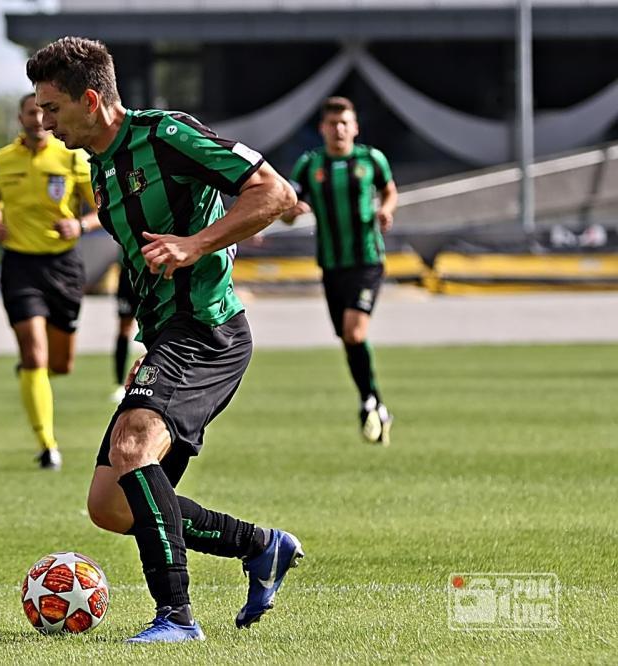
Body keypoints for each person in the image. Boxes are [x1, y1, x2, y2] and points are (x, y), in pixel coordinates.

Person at [27, 36, 303, 643]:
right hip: (172, 337)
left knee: (132, 450)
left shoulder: (165, 135)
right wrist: (150, 347)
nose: (43, 122)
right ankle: (261, 547)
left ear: (91, 99)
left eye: (51, 108)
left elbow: (276, 195)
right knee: (112, 506)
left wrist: (195, 245)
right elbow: (145, 263)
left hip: (208, 329)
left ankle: (176, 617)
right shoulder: (100, 165)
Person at [0, 93, 99, 470]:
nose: (38, 118)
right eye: (31, 112)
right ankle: (47, 445)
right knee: (34, 355)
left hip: (63, 267)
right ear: (20, 117)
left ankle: (36, 375)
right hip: (19, 266)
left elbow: (100, 210)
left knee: (60, 364)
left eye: (44, 111)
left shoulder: (74, 158)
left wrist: (78, 225)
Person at [283, 96, 398, 444]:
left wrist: (386, 210)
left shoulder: (370, 159)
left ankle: (368, 401)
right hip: (332, 265)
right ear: (322, 128)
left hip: (367, 259)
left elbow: (389, 190)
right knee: (348, 339)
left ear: (355, 127)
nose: (339, 129)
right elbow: (287, 211)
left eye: (345, 123)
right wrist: (293, 210)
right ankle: (374, 401)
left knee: (355, 332)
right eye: (333, 124)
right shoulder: (309, 165)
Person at [110, 265, 140, 402]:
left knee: (159, 326)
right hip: (128, 272)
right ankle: (120, 385)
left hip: (155, 272)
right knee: (124, 329)